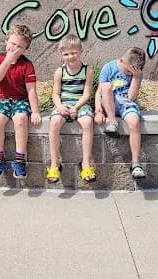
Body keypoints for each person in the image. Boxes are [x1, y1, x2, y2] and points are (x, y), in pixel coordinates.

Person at [0, 24, 41, 179]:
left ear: (25, 49)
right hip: (3, 98)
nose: (14, 48)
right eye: (12, 43)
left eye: (19, 46)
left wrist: (36, 111)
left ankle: (19, 160)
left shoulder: (27, 65)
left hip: (20, 100)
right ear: (6, 41)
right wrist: (8, 60)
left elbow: (31, 90)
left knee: (20, 119)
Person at [46, 34, 95, 183]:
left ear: (81, 50)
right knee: (54, 122)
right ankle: (55, 163)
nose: (70, 56)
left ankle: (85, 162)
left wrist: (76, 107)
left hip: (80, 103)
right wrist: (60, 107)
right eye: (66, 54)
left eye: (73, 52)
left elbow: (87, 94)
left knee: (87, 122)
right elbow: (55, 94)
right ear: (61, 54)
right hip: (64, 103)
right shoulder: (60, 71)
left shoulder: (87, 70)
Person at [95, 47, 147, 179]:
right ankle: (112, 122)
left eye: (133, 72)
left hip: (125, 103)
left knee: (135, 122)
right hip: (108, 102)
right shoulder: (109, 67)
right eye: (128, 71)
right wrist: (98, 111)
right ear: (122, 60)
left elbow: (131, 97)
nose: (129, 73)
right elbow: (99, 92)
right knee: (106, 86)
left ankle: (136, 163)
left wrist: (135, 77)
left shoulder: (136, 73)